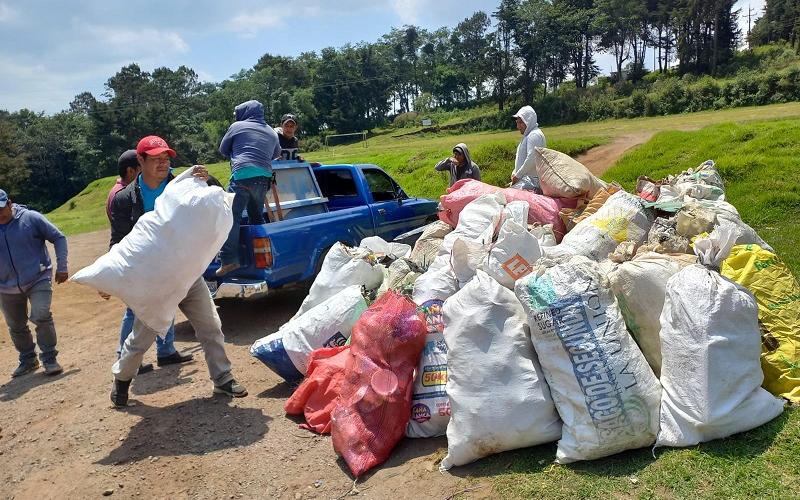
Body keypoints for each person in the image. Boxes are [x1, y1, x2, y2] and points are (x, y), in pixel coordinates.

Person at [110, 135, 247, 407]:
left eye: (166, 158)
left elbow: (214, 196)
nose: (163, 163)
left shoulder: (180, 184)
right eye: (156, 159)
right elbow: (118, 240)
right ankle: (122, 381)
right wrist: (114, 276)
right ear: (140, 160)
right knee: (140, 340)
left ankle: (222, 379)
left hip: (187, 272)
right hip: (155, 279)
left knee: (211, 326)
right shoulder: (126, 199)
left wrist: (208, 179)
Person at [106, 150, 191, 374]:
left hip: (164, 259)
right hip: (142, 262)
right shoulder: (122, 196)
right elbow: (119, 236)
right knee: (135, 310)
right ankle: (125, 357)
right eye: (154, 161)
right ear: (135, 168)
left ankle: (165, 350)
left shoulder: (164, 185)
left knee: (168, 302)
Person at [0, 189, 67, 377]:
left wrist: (62, 266)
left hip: (38, 277)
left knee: (41, 314)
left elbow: (58, 237)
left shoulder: (30, 218)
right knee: (16, 325)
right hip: (6, 286)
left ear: (9, 203)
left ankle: (50, 358)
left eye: (0, 208)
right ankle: (28, 359)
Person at [216, 100, 281, 276]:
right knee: (256, 217)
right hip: (263, 179)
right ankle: (260, 255)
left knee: (232, 217)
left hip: (242, 177)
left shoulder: (237, 126)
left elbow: (223, 150)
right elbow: (276, 154)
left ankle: (229, 260)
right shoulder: (271, 131)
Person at [511, 105, 547, 186]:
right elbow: (522, 158)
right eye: (517, 123)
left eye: (521, 122)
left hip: (531, 181)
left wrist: (517, 176)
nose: (518, 126)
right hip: (525, 180)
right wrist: (514, 172)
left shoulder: (534, 135)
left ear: (529, 121)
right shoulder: (529, 135)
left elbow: (531, 158)